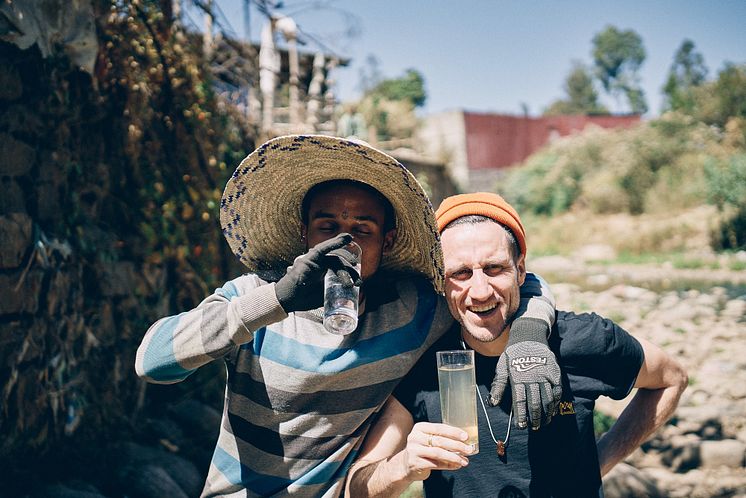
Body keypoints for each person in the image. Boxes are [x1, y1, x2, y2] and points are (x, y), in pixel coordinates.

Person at [135, 136, 559, 497]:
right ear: (305, 235)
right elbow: (151, 362)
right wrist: (278, 299)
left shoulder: (414, 310)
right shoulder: (254, 298)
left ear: (387, 241)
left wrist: (528, 334)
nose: (344, 242)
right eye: (327, 226)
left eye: (362, 229)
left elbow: (514, 283)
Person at [346, 192, 689, 498]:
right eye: (461, 274)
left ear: (521, 270)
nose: (480, 291)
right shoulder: (423, 357)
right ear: (441, 281)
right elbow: (356, 488)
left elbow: (671, 378)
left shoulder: (580, 340)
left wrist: (599, 464)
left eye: (494, 269)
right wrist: (403, 466)